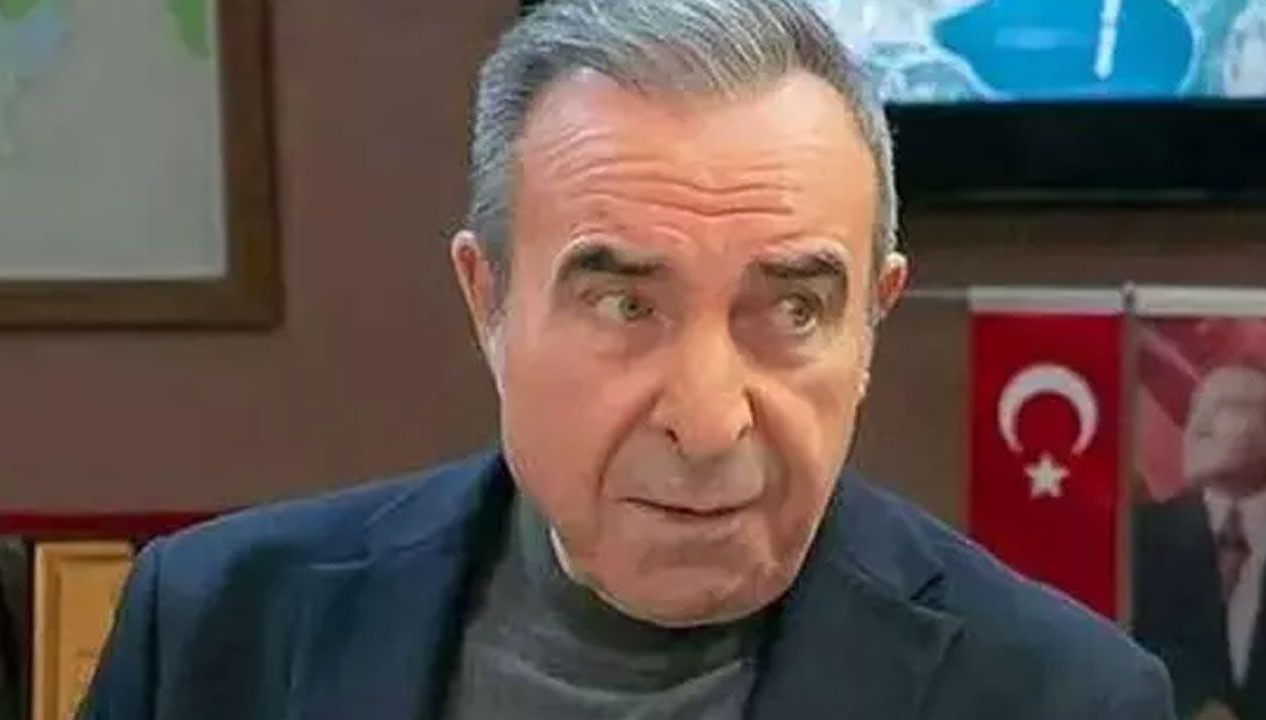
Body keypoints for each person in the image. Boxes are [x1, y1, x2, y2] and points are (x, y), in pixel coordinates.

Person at [80, 0, 1173, 718]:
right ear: (488, 300)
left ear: (871, 323)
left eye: (791, 310)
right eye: (623, 304)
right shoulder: (214, 630)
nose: (707, 421)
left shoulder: (1063, 699)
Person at [1136, 364, 1266, 720]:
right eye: (1196, 410)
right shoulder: (1140, 535)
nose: (1199, 427)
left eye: (1226, 407)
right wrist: (1192, 704)